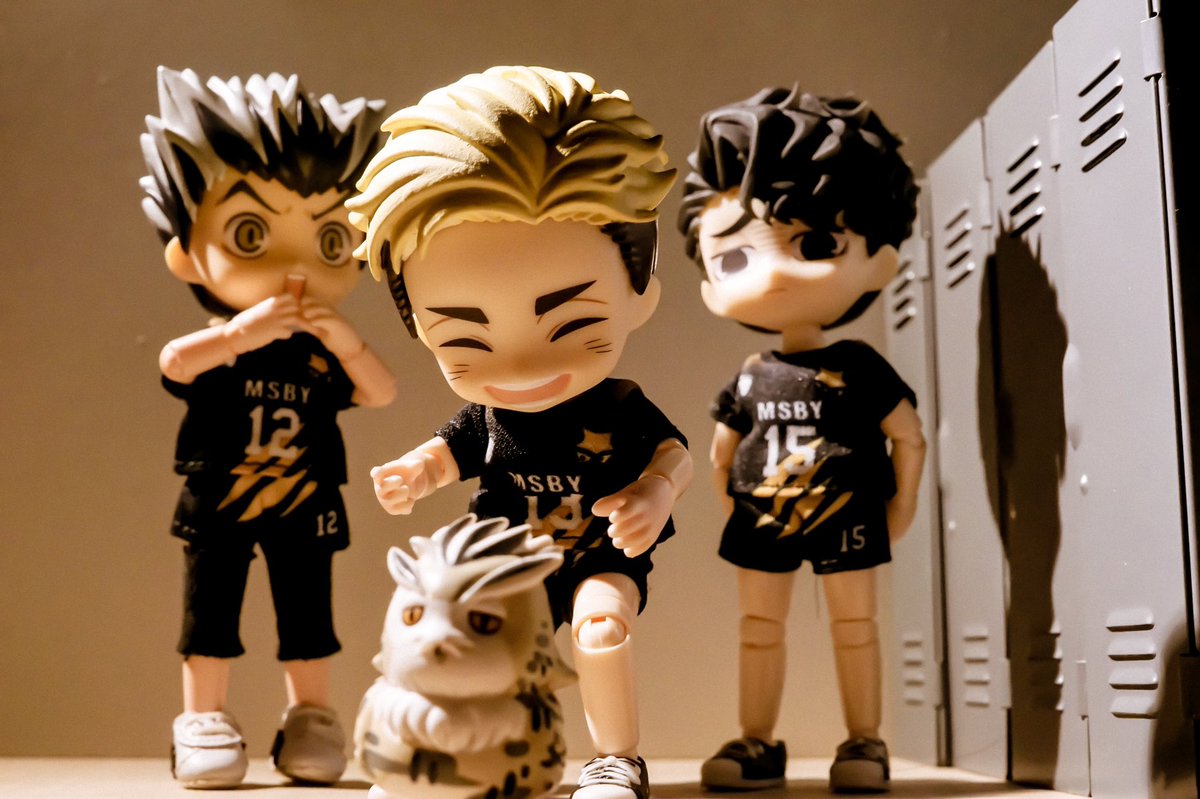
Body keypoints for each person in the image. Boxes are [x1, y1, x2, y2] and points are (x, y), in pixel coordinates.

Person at [348, 65, 692, 799]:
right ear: (420, 329)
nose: (522, 367)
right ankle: (452, 761)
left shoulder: (621, 407)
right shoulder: (486, 419)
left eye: (571, 324)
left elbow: (673, 453)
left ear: (640, 292)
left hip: (598, 550)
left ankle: (616, 758)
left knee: (600, 628)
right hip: (499, 566)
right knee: (455, 639)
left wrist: (656, 493)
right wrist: (414, 473)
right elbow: (447, 452)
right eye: (465, 342)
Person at [140, 67, 396, 788]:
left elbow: (380, 391)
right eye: (251, 233)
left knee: (307, 618)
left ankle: (311, 716)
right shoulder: (223, 346)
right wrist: (239, 333)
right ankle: (202, 718)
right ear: (186, 252)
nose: (295, 265)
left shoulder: (321, 349)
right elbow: (174, 362)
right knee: (210, 616)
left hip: (305, 504)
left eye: (331, 239)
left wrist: (344, 338)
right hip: (218, 501)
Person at [678, 86, 925, 793]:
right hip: (763, 519)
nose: (775, 271)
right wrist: (730, 506)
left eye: (815, 244)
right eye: (734, 257)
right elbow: (721, 452)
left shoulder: (861, 368)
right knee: (758, 627)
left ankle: (865, 740)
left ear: (880, 259)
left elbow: (908, 437)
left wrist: (901, 506)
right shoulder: (751, 374)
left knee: (856, 626)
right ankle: (757, 742)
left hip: (848, 514)